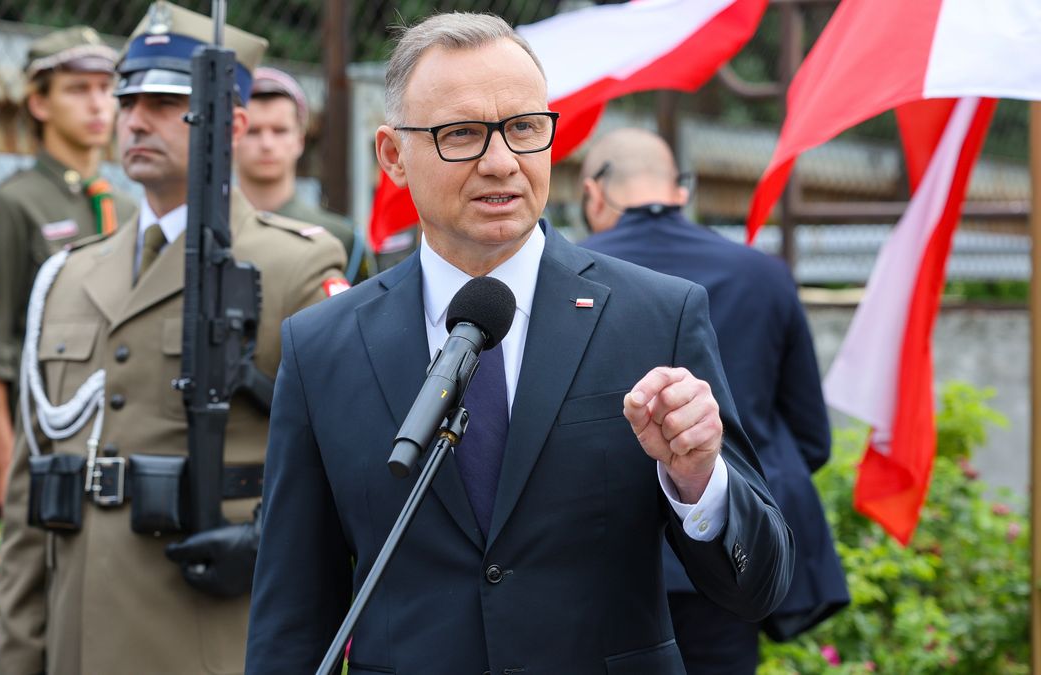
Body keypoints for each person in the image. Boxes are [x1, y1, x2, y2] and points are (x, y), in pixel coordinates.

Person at [246, 13, 794, 674]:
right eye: (461, 134)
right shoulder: (323, 347)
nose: (501, 162)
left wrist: (699, 479)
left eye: (525, 128)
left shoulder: (656, 316)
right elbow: (293, 616)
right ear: (392, 156)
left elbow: (758, 586)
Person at [0, 3, 347, 674]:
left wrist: (266, 540)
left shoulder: (293, 266)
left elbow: (347, 462)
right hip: (76, 640)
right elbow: (28, 499)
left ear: (231, 122)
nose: (135, 120)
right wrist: (20, 655)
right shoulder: (68, 275)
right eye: (127, 101)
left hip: (207, 637)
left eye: (164, 103)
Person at [579, 127, 849, 673]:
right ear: (681, 189)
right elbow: (811, 437)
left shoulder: (569, 280)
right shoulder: (763, 275)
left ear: (593, 194)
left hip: (603, 566)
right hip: (730, 562)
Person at [0, 26, 137, 512]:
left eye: (105, 88)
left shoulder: (128, 207)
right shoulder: (10, 204)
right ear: (39, 104)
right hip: (44, 437)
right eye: (77, 89)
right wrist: (10, 474)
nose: (98, 104)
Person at [237, 67, 362, 275]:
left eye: (280, 131)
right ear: (233, 137)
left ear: (300, 140)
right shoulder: (202, 231)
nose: (267, 144)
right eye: (252, 131)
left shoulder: (341, 237)